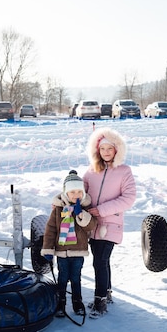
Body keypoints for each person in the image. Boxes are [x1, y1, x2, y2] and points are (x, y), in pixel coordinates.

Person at [83, 127, 136, 318]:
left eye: (110, 148)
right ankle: (107, 292)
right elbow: (83, 193)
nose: (106, 152)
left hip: (110, 224)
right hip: (91, 224)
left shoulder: (124, 171)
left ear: (117, 150)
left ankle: (100, 302)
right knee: (101, 260)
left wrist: (102, 210)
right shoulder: (90, 171)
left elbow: (128, 198)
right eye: (102, 148)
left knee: (100, 261)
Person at [41, 170, 97, 318]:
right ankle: (60, 304)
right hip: (62, 252)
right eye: (72, 192)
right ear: (66, 193)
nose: (76, 195)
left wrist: (80, 215)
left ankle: (78, 304)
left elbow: (91, 226)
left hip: (78, 252)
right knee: (62, 279)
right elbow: (51, 230)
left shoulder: (85, 208)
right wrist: (47, 248)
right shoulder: (58, 209)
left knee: (76, 279)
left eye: (79, 191)